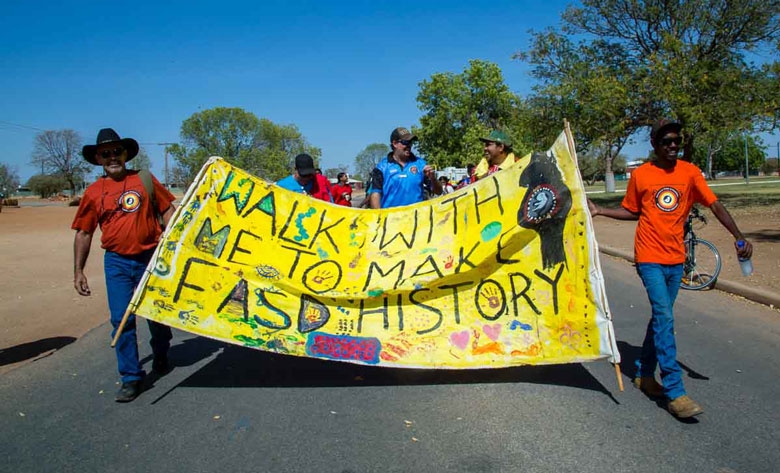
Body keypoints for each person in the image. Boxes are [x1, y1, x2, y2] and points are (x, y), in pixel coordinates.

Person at [588, 118, 753, 419]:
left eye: (676, 140)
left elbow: (714, 205)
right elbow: (632, 210)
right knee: (664, 316)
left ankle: (643, 373)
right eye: (667, 141)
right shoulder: (642, 175)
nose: (673, 145)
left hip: (676, 260)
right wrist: (601, 211)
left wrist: (739, 236)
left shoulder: (690, 173)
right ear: (655, 145)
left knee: (660, 318)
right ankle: (675, 391)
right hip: (649, 257)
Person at [72, 128, 176, 403]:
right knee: (122, 319)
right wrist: (78, 271)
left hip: (151, 257)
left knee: (156, 314)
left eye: (116, 151)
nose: (112, 157)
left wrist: (170, 231)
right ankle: (131, 377)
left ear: (125, 153)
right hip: (117, 263)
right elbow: (83, 232)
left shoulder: (144, 180)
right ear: (98, 158)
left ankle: (162, 350)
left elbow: (167, 209)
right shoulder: (93, 193)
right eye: (105, 154)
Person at [369, 127, 441, 208]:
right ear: (395, 143)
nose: (409, 145)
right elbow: (375, 194)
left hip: (416, 218)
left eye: (411, 142)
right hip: (391, 218)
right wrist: (379, 218)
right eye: (405, 142)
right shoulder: (382, 167)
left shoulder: (420, 164)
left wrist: (433, 178)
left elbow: (439, 191)